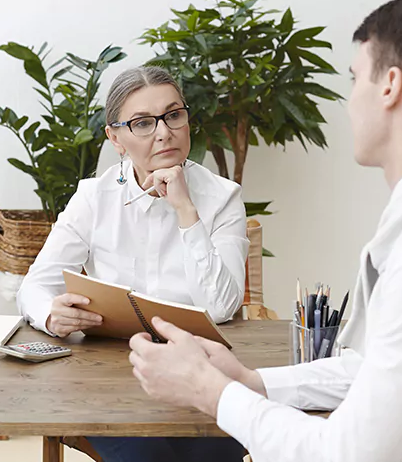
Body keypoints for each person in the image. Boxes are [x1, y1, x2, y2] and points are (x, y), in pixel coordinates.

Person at [126, 0, 402, 461]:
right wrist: (250, 380)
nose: (348, 101)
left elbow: (344, 454)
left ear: (391, 87)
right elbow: (376, 370)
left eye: (355, 78)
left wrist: (209, 391)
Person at [15, 65, 250, 462]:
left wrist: (185, 209)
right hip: (111, 376)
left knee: (210, 450)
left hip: (199, 368)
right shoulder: (94, 197)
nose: (164, 132)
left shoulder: (222, 197)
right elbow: (34, 287)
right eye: (143, 123)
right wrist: (51, 314)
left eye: (174, 115)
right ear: (115, 137)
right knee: (148, 454)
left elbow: (222, 307)